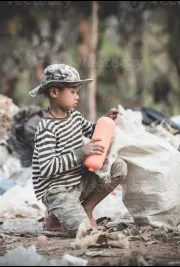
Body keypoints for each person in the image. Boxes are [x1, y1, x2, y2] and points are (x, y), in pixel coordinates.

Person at [29, 64, 128, 236]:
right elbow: (46, 168)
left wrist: (105, 120)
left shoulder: (74, 116)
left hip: (78, 181)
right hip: (58, 190)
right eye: (73, 92)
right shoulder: (47, 128)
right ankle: (55, 213)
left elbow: (92, 131)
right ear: (54, 92)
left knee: (119, 167)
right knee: (84, 232)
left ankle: (86, 208)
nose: (77, 97)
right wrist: (81, 152)